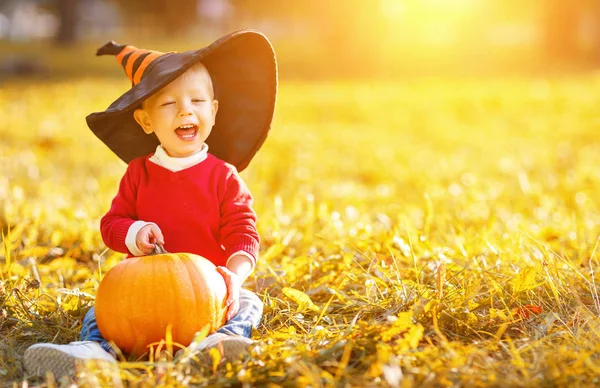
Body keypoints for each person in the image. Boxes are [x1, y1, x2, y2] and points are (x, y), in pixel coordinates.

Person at [23, 29, 278, 379]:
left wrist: (233, 277)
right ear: (145, 120)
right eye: (169, 104)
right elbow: (112, 225)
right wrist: (135, 231)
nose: (185, 110)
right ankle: (95, 352)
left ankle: (219, 343)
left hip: (209, 293)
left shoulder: (224, 175)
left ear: (214, 111)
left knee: (249, 302)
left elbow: (243, 231)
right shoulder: (139, 173)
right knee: (100, 309)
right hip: (142, 293)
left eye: (197, 102)